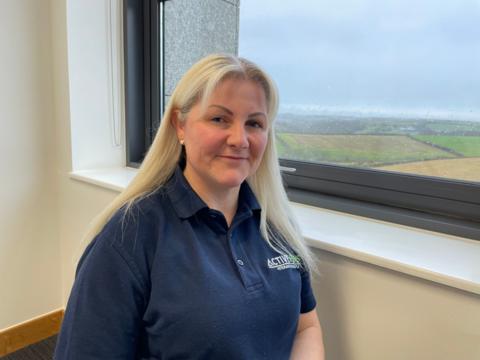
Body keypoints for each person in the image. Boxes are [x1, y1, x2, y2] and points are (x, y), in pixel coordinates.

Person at [54, 54, 325, 359]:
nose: (240, 139)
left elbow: (306, 327)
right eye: (219, 118)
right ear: (180, 125)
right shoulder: (129, 236)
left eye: (254, 123)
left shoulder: (276, 225)